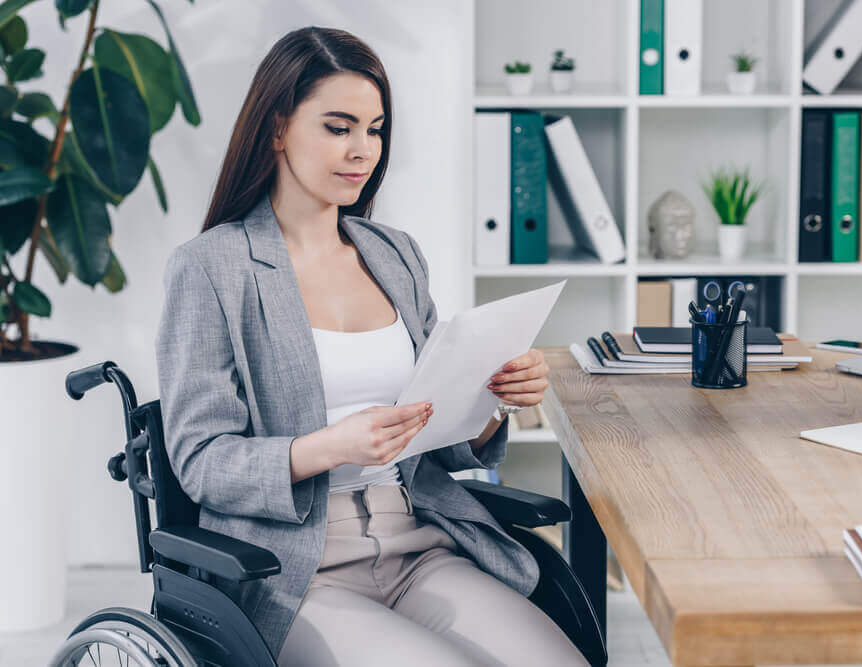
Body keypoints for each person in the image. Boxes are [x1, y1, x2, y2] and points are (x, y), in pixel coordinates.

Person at [154, 26, 587, 666]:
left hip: (417, 539)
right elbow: (198, 460)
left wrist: (494, 402)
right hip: (293, 567)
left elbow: (439, 430)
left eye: (374, 128)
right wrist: (328, 448)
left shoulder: (394, 255)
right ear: (276, 129)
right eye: (338, 127)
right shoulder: (211, 268)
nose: (363, 150)